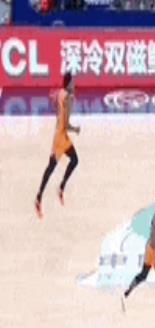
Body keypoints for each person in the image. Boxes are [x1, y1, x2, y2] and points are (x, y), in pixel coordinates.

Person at [35, 72, 80, 219]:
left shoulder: (61, 93)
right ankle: (39, 197)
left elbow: (55, 100)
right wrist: (75, 129)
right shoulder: (68, 99)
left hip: (61, 135)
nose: (74, 84)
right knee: (51, 168)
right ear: (69, 84)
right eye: (73, 82)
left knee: (74, 160)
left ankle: (60, 187)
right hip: (61, 138)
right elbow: (66, 124)